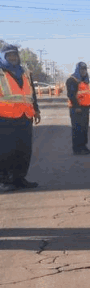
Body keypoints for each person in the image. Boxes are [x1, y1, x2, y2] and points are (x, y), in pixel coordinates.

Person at [0, 44, 40, 191]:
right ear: (3, 56)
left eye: (14, 55)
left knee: (23, 150)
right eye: (9, 55)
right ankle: (4, 180)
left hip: (25, 116)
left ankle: (19, 178)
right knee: (5, 151)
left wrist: (36, 110)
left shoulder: (25, 72)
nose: (12, 58)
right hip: (4, 118)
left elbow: (32, 93)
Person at [67, 62, 90, 155]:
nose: (83, 71)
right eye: (81, 69)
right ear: (78, 70)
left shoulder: (85, 80)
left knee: (84, 129)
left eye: (85, 69)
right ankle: (77, 149)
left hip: (85, 108)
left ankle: (83, 147)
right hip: (76, 109)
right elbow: (71, 95)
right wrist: (76, 107)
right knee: (77, 129)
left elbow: (87, 94)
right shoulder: (72, 80)